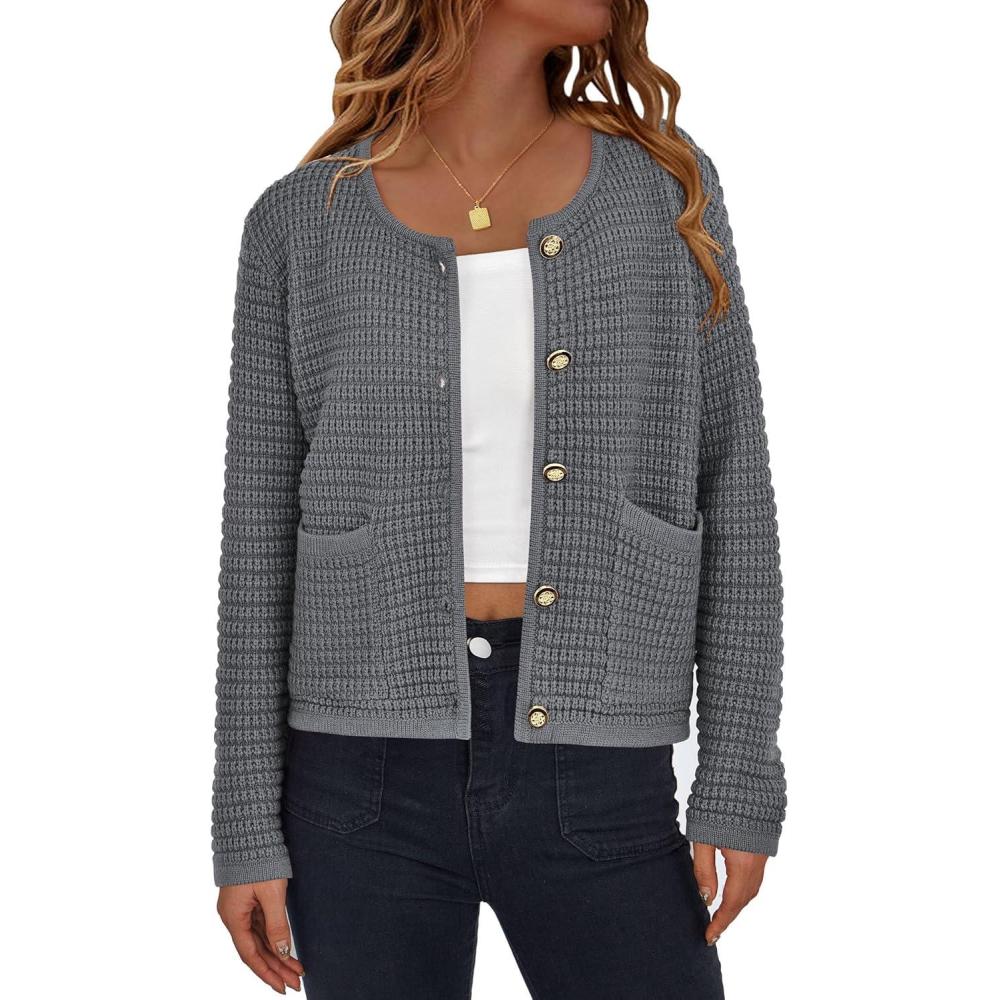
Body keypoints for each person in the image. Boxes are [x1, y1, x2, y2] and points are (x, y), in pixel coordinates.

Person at [211, 1, 786, 996]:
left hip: (601, 761)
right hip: (358, 777)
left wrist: (738, 776)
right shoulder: (301, 222)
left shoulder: (661, 189)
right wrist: (243, 822)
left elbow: (733, 487)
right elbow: (256, 541)